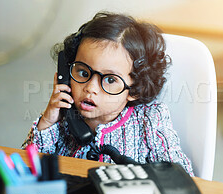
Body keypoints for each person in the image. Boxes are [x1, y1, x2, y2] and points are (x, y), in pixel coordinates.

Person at [22, 12, 193, 175]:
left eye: (110, 80)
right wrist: (47, 122)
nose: (91, 88)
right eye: (83, 72)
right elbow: (26, 169)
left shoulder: (150, 120)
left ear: (135, 89)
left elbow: (179, 176)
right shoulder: (62, 117)